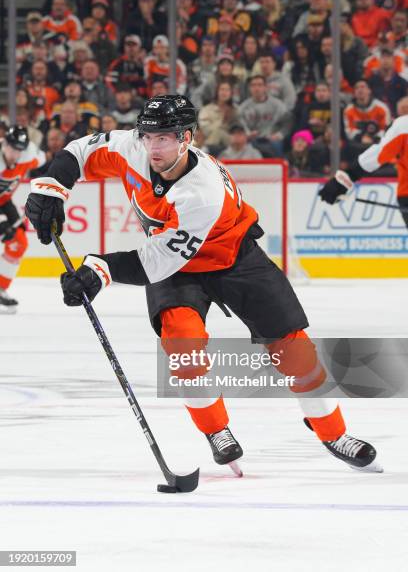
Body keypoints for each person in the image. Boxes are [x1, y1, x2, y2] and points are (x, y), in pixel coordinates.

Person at [25, 95, 381, 473]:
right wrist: (50, 188)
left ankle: (332, 432)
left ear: (187, 138)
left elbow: (155, 261)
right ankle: (216, 430)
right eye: (148, 136)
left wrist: (98, 269)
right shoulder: (133, 147)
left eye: (165, 138)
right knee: (182, 346)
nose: (153, 147)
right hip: (177, 266)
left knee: (295, 351)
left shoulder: (201, 191)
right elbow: (80, 151)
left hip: (233, 258)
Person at [319, 114, 408, 226]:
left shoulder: (404, 125)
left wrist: (350, 175)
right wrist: (349, 176)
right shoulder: (404, 126)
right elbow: (380, 153)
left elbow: (379, 154)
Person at [0, 127, 46, 312]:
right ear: (4, 143)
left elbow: (48, 159)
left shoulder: (30, 155)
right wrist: (2, 222)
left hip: (4, 200)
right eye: (12, 148)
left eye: (19, 149)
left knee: (19, 242)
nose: (15, 154)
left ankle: (1, 289)